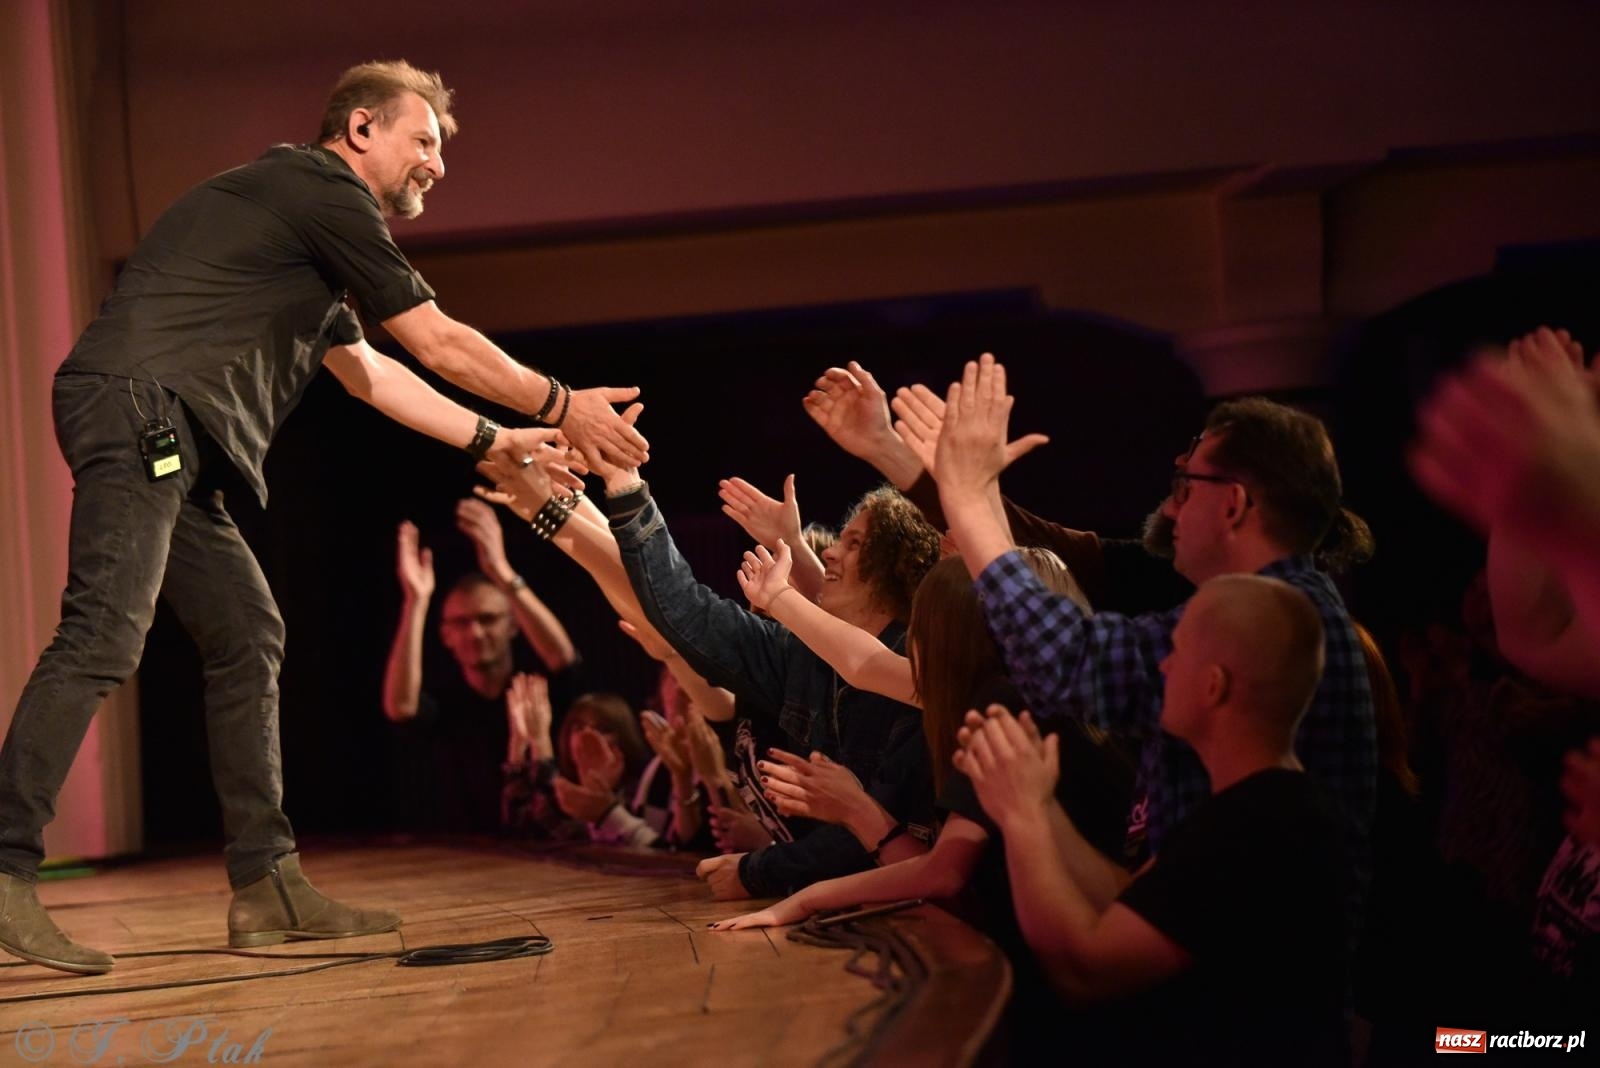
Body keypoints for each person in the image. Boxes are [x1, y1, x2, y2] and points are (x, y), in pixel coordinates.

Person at [0, 59, 649, 974]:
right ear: (360, 132)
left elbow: (373, 374)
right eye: (423, 141)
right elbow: (435, 339)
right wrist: (557, 403)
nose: (437, 164)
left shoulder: (304, 233)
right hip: (143, 409)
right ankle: (5, 864)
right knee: (106, 630)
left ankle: (267, 889)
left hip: (170, 431)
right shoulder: (320, 188)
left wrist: (492, 444)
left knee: (248, 632)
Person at [932, 355, 1377, 879]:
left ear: (1233, 504)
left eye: (1186, 488)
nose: (1170, 510)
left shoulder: (1273, 617)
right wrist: (966, 492)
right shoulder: (1282, 601)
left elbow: (1071, 661)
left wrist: (965, 497)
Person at [958, 575, 1353, 1065]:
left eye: (1176, 651)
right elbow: (1129, 901)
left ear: (1214, 685)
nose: (1162, 665)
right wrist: (1039, 801)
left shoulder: (1253, 827)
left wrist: (1021, 817)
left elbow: (1083, 973)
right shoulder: (1268, 803)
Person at [382, 499, 577, 833]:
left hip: (546, 857)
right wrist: (417, 601)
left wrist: (501, 571)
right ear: (445, 634)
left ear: (513, 625)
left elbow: (564, 660)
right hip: (464, 860)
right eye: (461, 622)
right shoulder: (447, 704)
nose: (475, 632)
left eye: (488, 619)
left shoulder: (533, 693)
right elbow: (400, 707)